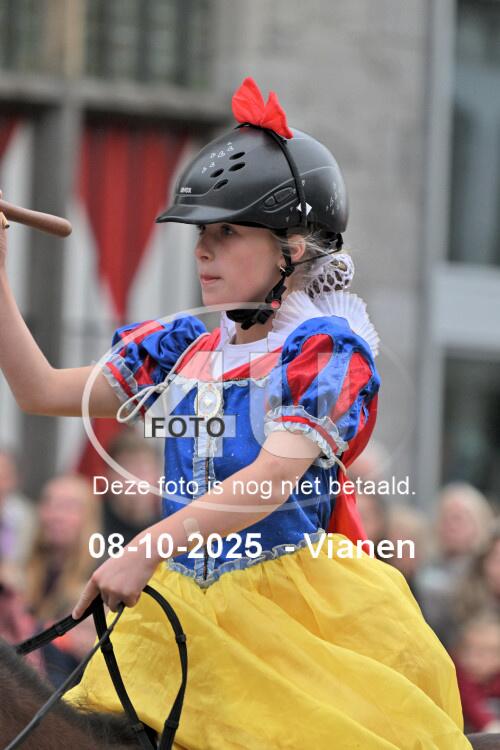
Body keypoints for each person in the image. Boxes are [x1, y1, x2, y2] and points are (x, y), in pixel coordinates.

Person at [0, 78, 471, 748]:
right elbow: (41, 390)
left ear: (292, 249)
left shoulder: (325, 351)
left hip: (291, 622)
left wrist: (147, 546)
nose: (202, 250)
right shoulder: (183, 348)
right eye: (202, 233)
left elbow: (269, 482)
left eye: (226, 232)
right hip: (176, 610)